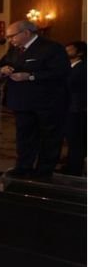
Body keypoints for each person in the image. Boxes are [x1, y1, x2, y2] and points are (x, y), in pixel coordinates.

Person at [0, 20, 69, 178]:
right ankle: (23, 167)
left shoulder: (51, 48)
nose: (10, 40)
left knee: (49, 138)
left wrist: (31, 76)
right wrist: (2, 69)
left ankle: (44, 171)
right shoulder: (14, 50)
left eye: (12, 36)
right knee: (24, 137)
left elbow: (61, 72)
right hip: (21, 102)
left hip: (47, 102)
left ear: (26, 33)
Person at [62, 41, 86, 176]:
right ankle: (70, 166)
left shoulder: (82, 68)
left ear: (80, 53)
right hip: (69, 108)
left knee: (76, 141)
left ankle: (74, 170)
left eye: (69, 50)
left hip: (77, 109)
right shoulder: (69, 67)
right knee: (71, 140)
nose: (66, 52)